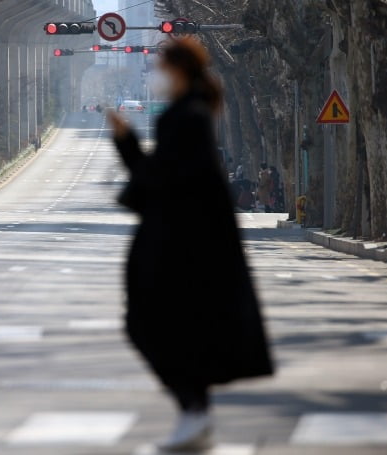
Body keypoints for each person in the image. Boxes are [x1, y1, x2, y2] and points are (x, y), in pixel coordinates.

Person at [108, 38, 274, 452]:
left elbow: (165, 180)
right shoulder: (188, 114)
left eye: (160, 67)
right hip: (182, 239)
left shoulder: (187, 117)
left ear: (179, 70)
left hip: (181, 244)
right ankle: (192, 411)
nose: (155, 75)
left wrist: (127, 144)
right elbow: (165, 178)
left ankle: (193, 410)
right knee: (176, 328)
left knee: (151, 324)